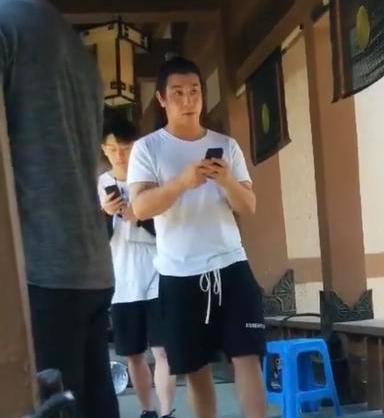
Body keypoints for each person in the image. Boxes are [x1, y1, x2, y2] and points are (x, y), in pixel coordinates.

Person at [127, 56, 266, 418]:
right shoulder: (148, 148)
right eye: (178, 93)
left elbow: (248, 204)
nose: (188, 100)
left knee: (247, 356)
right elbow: (140, 207)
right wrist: (181, 182)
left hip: (231, 264)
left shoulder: (226, 145)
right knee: (195, 368)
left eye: (194, 91)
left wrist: (226, 180)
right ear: (162, 98)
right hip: (179, 272)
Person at [0, 1, 118, 418]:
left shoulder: (5, 23)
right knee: (92, 404)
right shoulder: (75, 48)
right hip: (88, 264)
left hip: (37, 266)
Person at [98, 114, 177, 418]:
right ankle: (148, 411)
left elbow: (169, 225)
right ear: (103, 150)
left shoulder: (150, 180)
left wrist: (139, 215)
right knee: (132, 353)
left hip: (157, 271)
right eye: (113, 149)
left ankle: (167, 411)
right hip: (121, 279)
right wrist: (105, 214)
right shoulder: (99, 185)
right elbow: (93, 239)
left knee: (163, 349)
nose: (120, 155)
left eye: (126, 148)